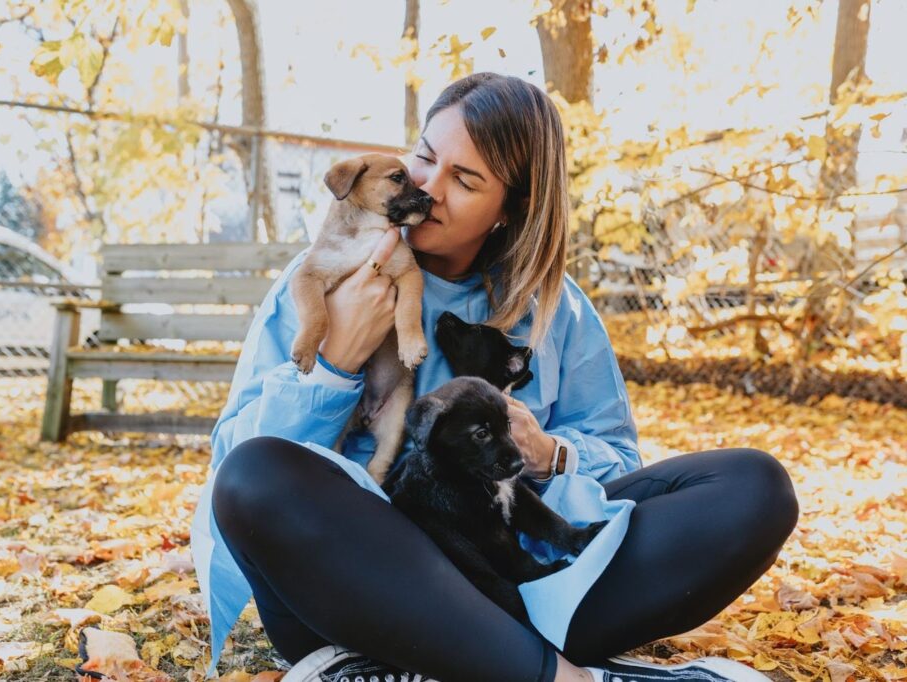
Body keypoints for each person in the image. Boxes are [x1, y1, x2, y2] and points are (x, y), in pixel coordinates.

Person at [189, 73, 799, 682]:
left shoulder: (556, 311)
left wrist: (550, 454)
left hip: (516, 577)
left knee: (754, 488)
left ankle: (443, 665)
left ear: (513, 209)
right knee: (254, 476)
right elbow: (234, 465)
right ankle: (561, 676)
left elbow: (615, 463)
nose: (427, 187)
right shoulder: (319, 280)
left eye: (466, 180)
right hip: (364, 591)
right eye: (425, 157)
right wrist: (335, 361)